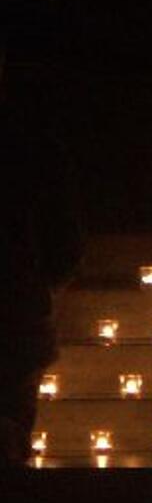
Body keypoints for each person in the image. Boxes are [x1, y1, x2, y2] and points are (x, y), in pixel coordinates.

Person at [0, 43, 83, 465]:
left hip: (19, 319)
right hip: (18, 319)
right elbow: (64, 244)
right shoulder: (32, 143)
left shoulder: (31, 144)